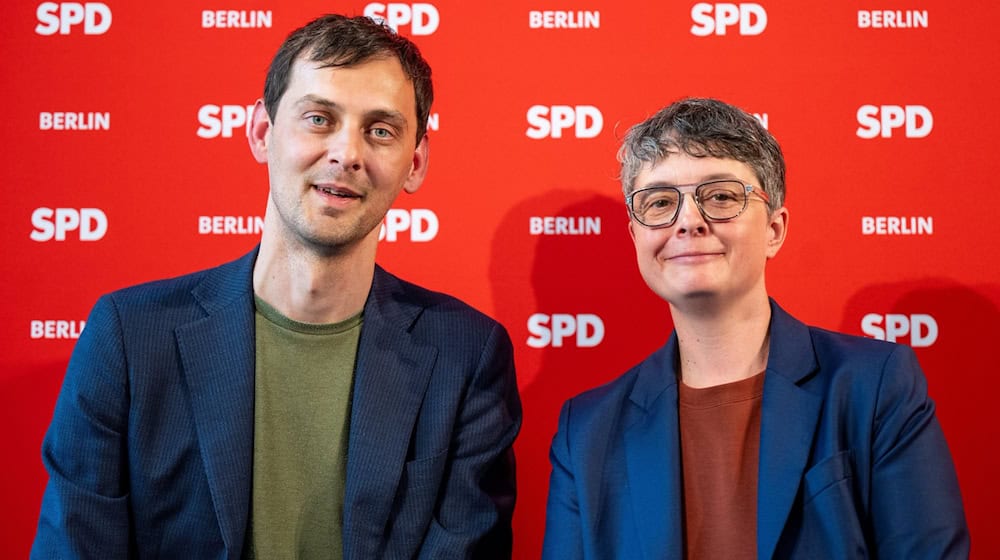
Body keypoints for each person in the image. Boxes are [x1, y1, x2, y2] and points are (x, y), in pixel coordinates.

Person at [32, 14, 521, 559]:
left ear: (416, 163)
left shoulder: (468, 357)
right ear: (262, 133)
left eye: (380, 130)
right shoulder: (129, 336)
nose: (346, 153)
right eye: (319, 118)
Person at [541, 98, 969, 559]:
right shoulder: (585, 432)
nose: (688, 222)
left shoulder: (875, 386)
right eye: (661, 202)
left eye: (721, 196)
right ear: (636, 238)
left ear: (775, 229)